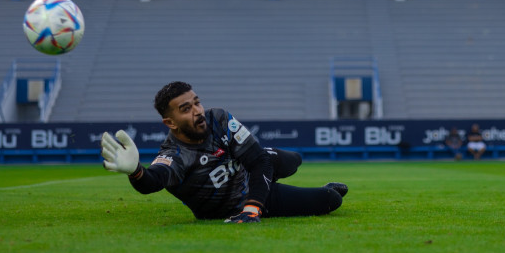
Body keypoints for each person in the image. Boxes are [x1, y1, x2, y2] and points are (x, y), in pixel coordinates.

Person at [100, 81, 347, 223]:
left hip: (248, 184)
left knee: (291, 159)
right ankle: (311, 189)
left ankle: (267, 177)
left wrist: (253, 207)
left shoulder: (217, 118)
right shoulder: (176, 154)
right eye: (186, 109)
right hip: (233, 205)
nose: (197, 111)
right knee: (330, 200)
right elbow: (153, 180)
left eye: (197, 102)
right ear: (170, 123)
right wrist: (135, 171)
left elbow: (258, 160)